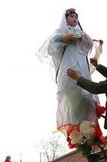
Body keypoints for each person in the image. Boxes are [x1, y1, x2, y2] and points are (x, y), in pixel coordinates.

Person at [38, 8, 101, 142]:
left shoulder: (81, 32)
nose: (74, 19)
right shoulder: (60, 32)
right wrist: (63, 38)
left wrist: (84, 37)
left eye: (76, 17)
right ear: (66, 19)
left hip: (82, 70)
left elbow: (88, 46)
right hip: (68, 70)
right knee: (73, 103)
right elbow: (51, 47)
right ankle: (76, 135)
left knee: (86, 101)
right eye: (71, 17)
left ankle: (87, 137)